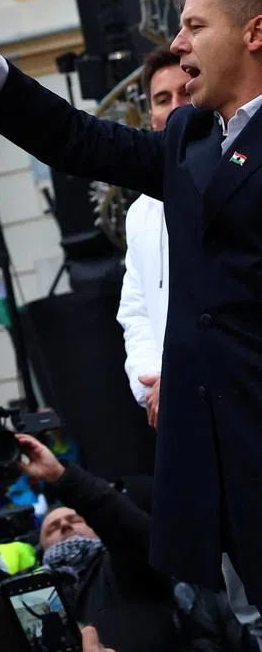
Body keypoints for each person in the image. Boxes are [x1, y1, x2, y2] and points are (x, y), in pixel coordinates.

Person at [0, 0, 262, 604]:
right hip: (221, 473)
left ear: (255, 32)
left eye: (194, 25)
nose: (177, 44)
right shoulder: (190, 137)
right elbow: (82, 142)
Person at [116, 48, 190, 426]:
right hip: (171, 407)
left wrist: (179, 381)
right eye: (163, 99)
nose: (176, 106)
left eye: (186, 93)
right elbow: (136, 311)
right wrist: (151, 383)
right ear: (151, 117)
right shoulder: (140, 212)